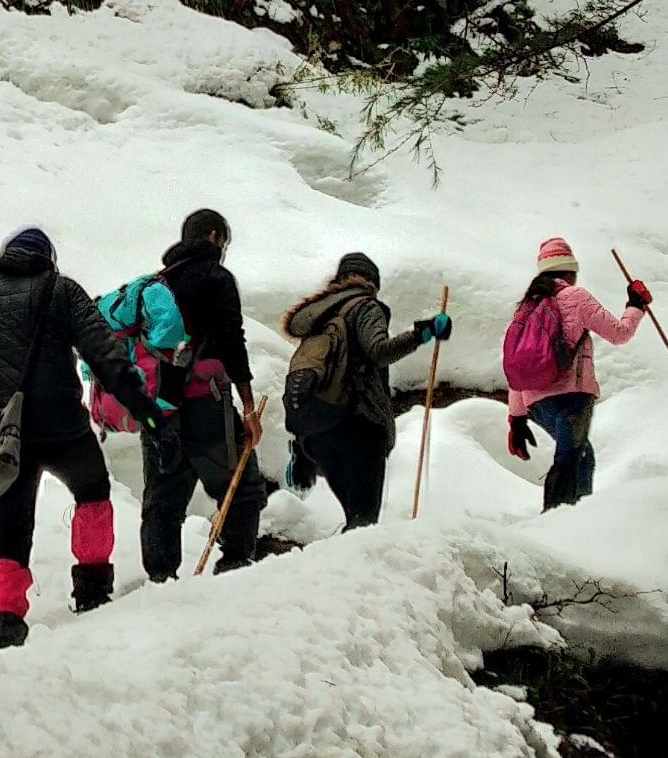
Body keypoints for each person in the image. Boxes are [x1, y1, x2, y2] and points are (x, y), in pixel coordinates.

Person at [0, 228, 168, 649]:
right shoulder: (63, 290)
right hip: (63, 427)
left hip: (0, 435)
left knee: (10, 533)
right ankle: (93, 588)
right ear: (47, 258)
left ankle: (5, 622)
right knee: (93, 492)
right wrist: (143, 407)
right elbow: (103, 352)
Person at [276, 253, 447, 534]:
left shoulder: (321, 316)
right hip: (359, 424)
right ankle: (351, 575)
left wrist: (303, 446)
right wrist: (424, 332)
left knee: (355, 520)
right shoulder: (366, 307)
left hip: (319, 434)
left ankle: (335, 572)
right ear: (372, 283)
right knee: (364, 521)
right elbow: (379, 351)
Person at [141, 209, 261, 577]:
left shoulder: (157, 283)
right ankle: (235, 565)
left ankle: (161, 578)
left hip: (157, 404)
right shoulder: (216, 277)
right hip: (204, 401)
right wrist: (249, 406)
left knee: (163, 496)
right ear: (213, 236)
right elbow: (231, 340)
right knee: (240, 485)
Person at [502, 238, 649, 509]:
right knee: (571, 457)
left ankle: (574, 518)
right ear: (569, 271)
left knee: (582, 456)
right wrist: (636, 306)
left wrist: (517, 418)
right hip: (573, 397)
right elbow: (619, 333)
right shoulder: (575, 297)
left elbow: (518, 365)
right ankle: (559, 519)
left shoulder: (526, 307)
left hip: (537, 404)